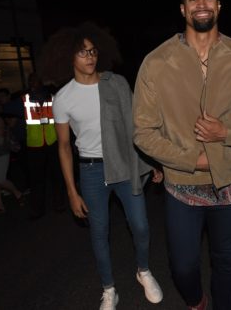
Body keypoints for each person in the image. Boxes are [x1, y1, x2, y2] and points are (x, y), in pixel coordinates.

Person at [133, 0, 231, 310]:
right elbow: (143, 132)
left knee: (225, 261)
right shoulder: (157, 62)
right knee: (183, 267)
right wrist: (192, 159)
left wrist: (227, 133)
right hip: (181, 185)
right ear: (183, 9)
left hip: (230, 185)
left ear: (219, 5)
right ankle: (197, 302)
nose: (201, 3)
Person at [43, 22, 163, 310]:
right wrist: (72, 191)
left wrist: (152, 161)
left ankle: (143, 270)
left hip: (124, 165)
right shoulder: (63, 98)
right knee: (99, 232)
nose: (90, 57)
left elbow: (137, 125)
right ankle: (109, 289)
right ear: (68, 57)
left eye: (93, 51)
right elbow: (63, 147)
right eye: (82, 53)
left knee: (141, 226)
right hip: (92, 171)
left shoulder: (116, 83)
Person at [23, 72, 66, 218]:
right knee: (36, 179)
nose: (33, 83)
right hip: (34, 145)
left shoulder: (53, 98)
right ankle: (37, 209)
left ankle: (59, 203)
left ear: (41, 82)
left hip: (53, 142)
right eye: (31, 81)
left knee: (57, 175)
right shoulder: (24, 99)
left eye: (36, 81)